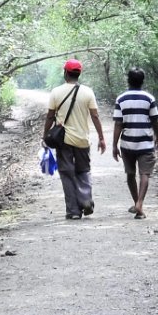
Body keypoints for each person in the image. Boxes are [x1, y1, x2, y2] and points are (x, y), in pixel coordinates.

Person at [44, 59, 105, 219]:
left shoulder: (56, 92)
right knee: (83, 171)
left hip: (63, 141)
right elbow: (95, 116)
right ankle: (85, 200)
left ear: (65, 73)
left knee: (66, 174)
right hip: (82, 140)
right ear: (79, 74)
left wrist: (45, 136)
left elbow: (50, 117)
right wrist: (101, 137)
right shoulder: (88, 92)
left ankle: (73, 211)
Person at [111, 68, 158, 217]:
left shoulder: (121, 99)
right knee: (144, 174)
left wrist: (114, 145)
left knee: (130, 174)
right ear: (142, 81)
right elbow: (155, 120)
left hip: (127, 144)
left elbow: (118, 124)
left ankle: (137, 204)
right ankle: (140, 203)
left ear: (128, 80)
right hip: (145, 143)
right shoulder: (149, 98)